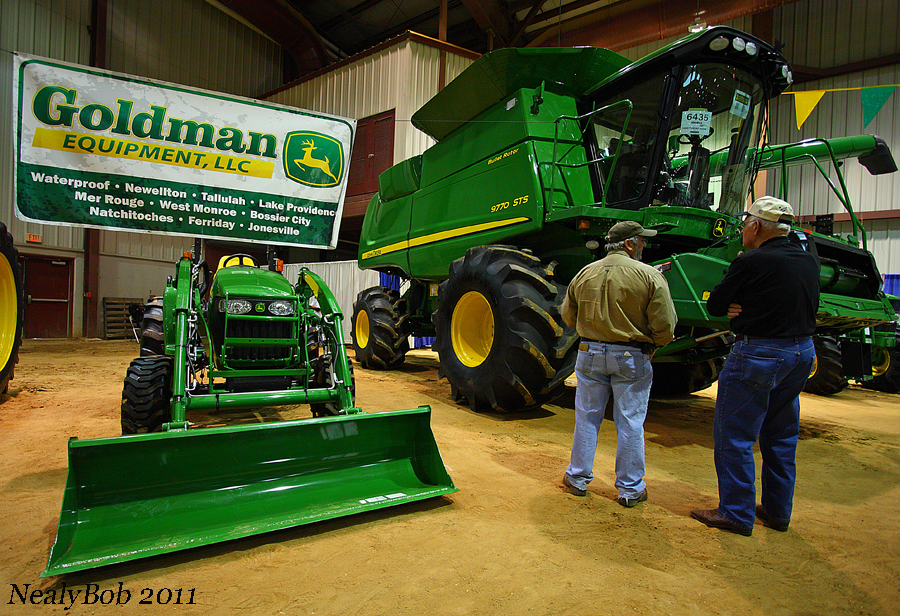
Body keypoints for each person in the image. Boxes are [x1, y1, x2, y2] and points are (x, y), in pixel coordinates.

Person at [691, 197, 819, 536]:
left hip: (759, 355)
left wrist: (739, 307)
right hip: (801, 354)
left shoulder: (751, 261)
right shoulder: (807, 261)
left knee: (734, 435)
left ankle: (736, 513)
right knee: (781, 435)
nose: (743, 230)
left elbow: (717, 304)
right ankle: (777, 511)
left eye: (746, 224)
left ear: (756, 227)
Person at [561, 220, 677, 507]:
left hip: (589, 354)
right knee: (630, 422)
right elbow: (666, 324)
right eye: (642, 241)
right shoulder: (649, 275)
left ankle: (577, 479)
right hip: (630, 357)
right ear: (629, 244)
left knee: (587, 417)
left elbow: (567, 315)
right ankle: (630, 488)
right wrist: (655, 344)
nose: (645, 245)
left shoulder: (585, 272)